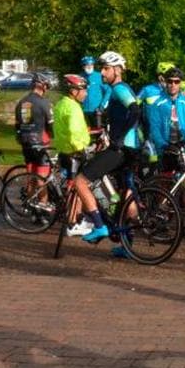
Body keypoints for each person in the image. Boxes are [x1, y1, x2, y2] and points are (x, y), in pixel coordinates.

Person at [72, 51, 140, 253]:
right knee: (126, 193)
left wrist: (119, 138)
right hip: (131, 148)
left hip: (121, 148)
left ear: (117, 70)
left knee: (80, 181)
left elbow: (135, 110)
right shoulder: (118, 89)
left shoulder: (119, 89)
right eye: (102, 68)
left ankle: (99, 226)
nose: (102, 72)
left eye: (106, 68)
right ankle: (127, 245)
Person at [53, 74, 95, 236]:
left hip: (64, 150)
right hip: (74, 153)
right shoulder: (73, 108)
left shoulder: (61, 104)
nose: (85, 93)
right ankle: (71, 224)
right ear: (73, 91)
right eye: (83, 90)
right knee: (77, 189)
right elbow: (73, 131)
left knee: (75, 188)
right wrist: (82, 148)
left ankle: (76, 219)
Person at [144, 66, 185, 155]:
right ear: (165, 82)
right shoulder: (157, 104)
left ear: (180, 83)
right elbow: (154, 128)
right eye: (170, 81)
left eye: (176, 82)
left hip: (184, 147)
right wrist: (163, 145)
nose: (173, 84)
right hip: (165, 149)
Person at [13, 74, 54, 178]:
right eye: (47, 87)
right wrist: (53, 134)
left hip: (25, 141)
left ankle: (29, 193)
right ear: (43, 86)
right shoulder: (44, 102)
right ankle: (42, 194)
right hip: (40, 141)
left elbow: (17, 125)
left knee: (31, 174)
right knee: (42, 177)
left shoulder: (21, 102)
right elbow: (50, 125)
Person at [79, 55, 107, 128]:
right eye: (86, 65)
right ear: (83, 66)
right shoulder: (80, 77)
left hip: (96, 111)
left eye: (91, 65)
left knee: (99, 133)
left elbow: (108, 90)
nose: (89, 66)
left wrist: (102, 106)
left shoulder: (99, 76)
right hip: (83, 111)